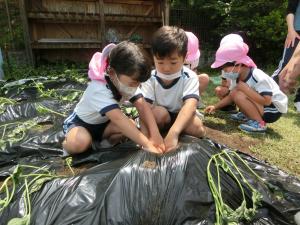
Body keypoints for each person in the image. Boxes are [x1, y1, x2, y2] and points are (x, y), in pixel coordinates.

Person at [63, 41, 165, 155]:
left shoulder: (125, 81)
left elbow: (143, 106)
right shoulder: (98, 89)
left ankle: (100, 143)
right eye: (133, 83)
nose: (136, 87)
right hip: (82, 124)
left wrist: (155, 134)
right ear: (112, 73)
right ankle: (67, 142)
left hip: (104, 126)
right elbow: (119, 119)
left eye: (138, 83)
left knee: (131, 126)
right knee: (79, 143)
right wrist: (147, 145)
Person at [139, 26, 206, 152]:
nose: (166, 68)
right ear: (153, 57)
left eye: (173, 62)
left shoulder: (189, 76)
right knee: (158, 114)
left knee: (197, 129)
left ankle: (172, 132)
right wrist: (147, 136)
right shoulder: (150, 77)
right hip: (162, 114)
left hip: (182, 115)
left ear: (185, 57)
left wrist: (174, 133)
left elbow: (189, 106)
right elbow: (144, 107)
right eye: (160, 62)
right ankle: (162, 133)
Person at [204, 38, 288, 133]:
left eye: (226, 69)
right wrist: (215, 107)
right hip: (263, 106)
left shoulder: (257, 75)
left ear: (238, 64)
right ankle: (247, 114)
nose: (224, 72)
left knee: (240, 94)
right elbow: (232, 96)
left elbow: (267, 101)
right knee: (236, 93)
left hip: (273, 109)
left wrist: (246, 89)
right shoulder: (238, 77)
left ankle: (259, 124)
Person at [272, 0, 300, 112]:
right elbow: (290, 10)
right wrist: (291, 30)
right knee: (285, 65)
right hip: (296, 33)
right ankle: (268, 92)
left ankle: (298, 100)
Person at [184, 31, 210, 100]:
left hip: (188, 80)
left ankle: (194, 99)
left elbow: (194, 72)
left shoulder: (195, 58)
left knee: (204, 78)